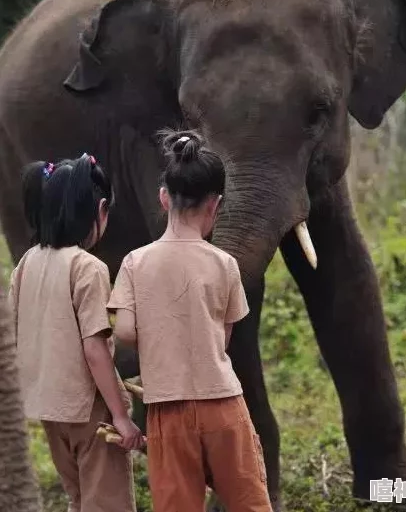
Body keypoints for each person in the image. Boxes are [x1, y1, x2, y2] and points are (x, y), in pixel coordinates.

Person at [108, 130, 273, 512]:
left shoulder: (135, 262)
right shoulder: (224, 263)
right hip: (223, 405)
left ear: (163, 198)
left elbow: (127, 331)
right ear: (216, 204)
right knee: (250, 502)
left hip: (167, 409)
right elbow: (224, 337)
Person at [9, 153, 144, 512]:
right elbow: (94, 348)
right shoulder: (88, 267)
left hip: (50, 409)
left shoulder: (26, 263)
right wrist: (119, 415)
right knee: (106, 504)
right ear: (100, 210)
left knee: (79, 499)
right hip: (89, 411)